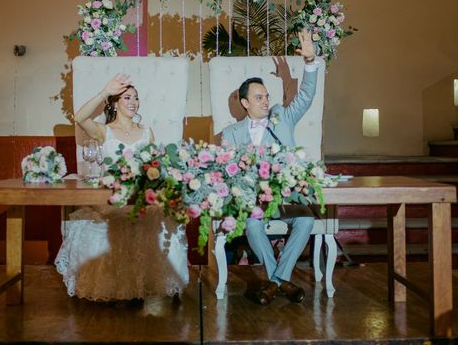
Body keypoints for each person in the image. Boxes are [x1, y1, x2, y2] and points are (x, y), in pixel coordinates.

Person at [55, 74, 189, 301]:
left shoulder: (147, 131)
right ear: (115, 103)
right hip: (111, 201)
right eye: (127, 97)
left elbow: (155, 168)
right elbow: (79, 117)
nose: (133, 102)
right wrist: (104, 91)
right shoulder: (103, 131)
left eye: (136, 98)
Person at [221, 30, 318, 306]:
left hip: (285, 200)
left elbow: (306, 97)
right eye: (259, 97)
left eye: (266, 96)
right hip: (252, 203)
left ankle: (275, 282)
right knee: (252, 225)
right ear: (245, 103)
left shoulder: (282, 119)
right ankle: (283, 282)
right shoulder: (230, 134)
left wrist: (309, 62)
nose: (266, 101)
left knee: (307, 219)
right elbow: (228, 175)